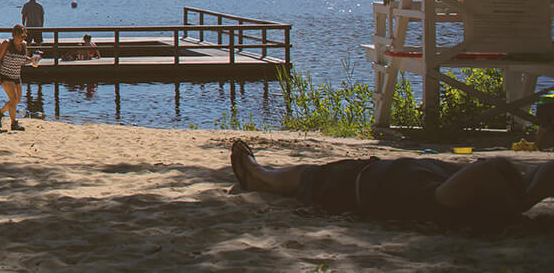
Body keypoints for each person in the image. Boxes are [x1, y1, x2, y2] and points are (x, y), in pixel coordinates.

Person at [229, 139, 554, 226]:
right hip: (371, 175)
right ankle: (261, 175)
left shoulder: (441, 202)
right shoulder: (447, 190)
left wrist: (495, 171)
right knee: (311, 174)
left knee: (309, 176)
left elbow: (492, 167)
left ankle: (259, 176)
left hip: (355, 182)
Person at [0, 25, 35, 131]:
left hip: (16, 75)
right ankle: (14, 123)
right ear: (14, 35)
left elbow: (24, 59)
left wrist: (33, 60)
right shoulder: (7, 43)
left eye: (24, 36)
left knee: (17, 100)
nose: (22, 39)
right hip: (5, 74)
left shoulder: (24, 45)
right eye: (21, 36)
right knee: (13, 99)